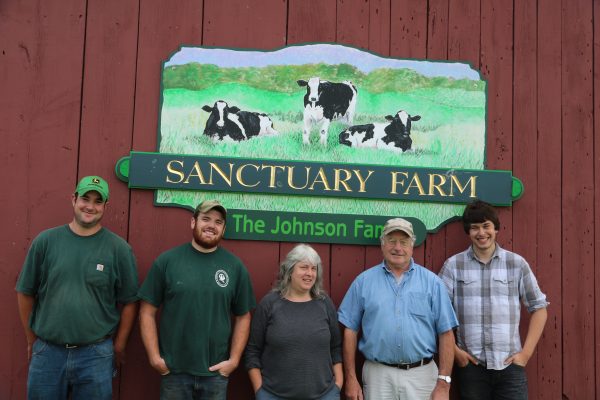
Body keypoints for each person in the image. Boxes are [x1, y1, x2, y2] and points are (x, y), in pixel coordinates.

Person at [16, 175, 139, 400]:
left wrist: (119, 345)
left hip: (95, 354)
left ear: (105, 206)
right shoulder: (46, 242)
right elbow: (25, 292)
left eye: (97, 201)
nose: (90, 206)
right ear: (73, 199)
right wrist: (31, 339)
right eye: (85, 198)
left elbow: (130, 302)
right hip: (48, 352)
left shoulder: (119, 249)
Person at [139, 199, 256, 400]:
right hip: (174, 373)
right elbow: (147, 311)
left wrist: (234, 361)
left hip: (215, 374)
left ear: (223, 229)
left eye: (218, 222)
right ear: (193, 222)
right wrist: (154, 357)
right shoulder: (167, 261)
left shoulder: (234, 267)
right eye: (206, 219)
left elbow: (243, 317)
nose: (212, 225)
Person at [438, 200, 548, 400]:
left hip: (510, 367)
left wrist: (525, 354)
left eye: (486, 226)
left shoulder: (516, 264)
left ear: (496, 228)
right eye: (475, 228)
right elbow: (437, 313)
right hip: (472, 368)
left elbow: (539, 308)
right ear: (468, 232)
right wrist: (456, 352)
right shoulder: (453, 266)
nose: (481, 233)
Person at [338, 217, 458, 400]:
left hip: (422, 375)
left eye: (403, 242)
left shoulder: (433, 283)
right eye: (392, 241)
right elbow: (350, 331)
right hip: (378, 375)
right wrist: (351, 379)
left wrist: (443, 382)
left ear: (412, 245)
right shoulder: (363, 282)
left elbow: (446, 333)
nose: (398, 248)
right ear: (382, 244)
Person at [245, 244, 343, 400]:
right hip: (273, 395)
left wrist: (337, 385)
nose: (310, 274)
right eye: (304, 267)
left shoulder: (325, 303)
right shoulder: (270, 304)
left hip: (324, 395)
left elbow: (336, 348)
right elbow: (252, 351)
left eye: (314, 268)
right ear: (289, 271)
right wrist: (260, 391)